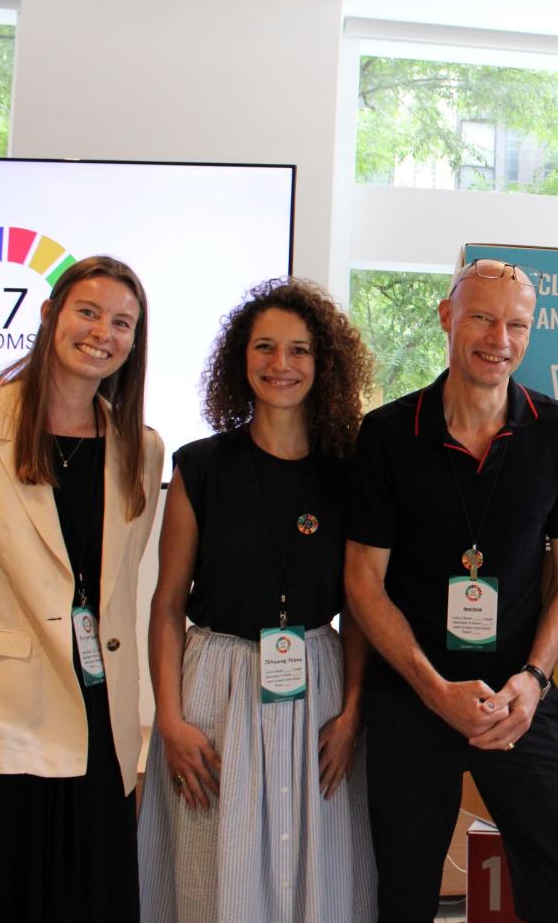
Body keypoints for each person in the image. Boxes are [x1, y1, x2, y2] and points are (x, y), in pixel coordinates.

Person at [0, 256, 164, 921]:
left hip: (99, 738)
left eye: (122, 322)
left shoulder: (140, 447)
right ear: (51, 314)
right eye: (88, 312)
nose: (102, 333)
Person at [344, 258, 558, 922]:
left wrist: (533, 681)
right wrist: (434, 690)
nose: (499, 339)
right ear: (448, 317)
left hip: (518, 698)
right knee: (403, 895)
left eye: (517, 324)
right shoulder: (388, 435)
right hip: (411, 702)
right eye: (482, 317)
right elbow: (362, 582)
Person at [136, 279, 377, 922]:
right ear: (240, 360)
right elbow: (166, 604)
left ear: (322, 364)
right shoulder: (202, 466)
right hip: (215, 684)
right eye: (264, 347)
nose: (280, 364)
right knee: (216, 863)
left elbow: (358, 607)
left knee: (313, 866)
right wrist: (170, 720)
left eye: (298, 350)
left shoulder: (347, 472)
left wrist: (352, 712)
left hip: (317, 687)